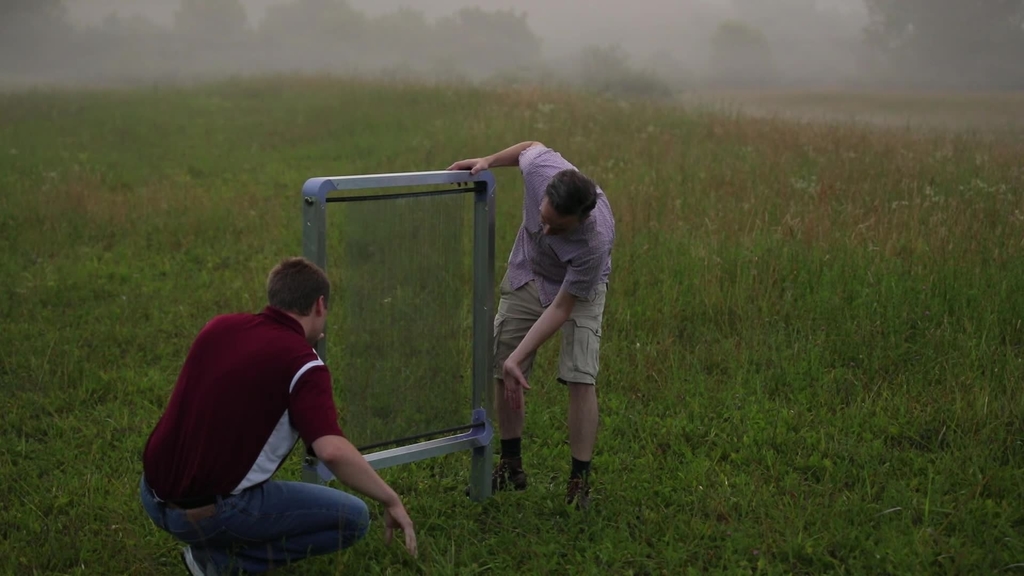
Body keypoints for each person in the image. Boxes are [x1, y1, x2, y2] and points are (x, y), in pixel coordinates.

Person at [139, 257, 417, 575]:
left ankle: (211, 547)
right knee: (353, 519)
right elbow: (331, 450)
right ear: (320, 305)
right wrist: (390, 499)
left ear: (275, 296)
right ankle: (220, 563)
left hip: (151, 493)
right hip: (207, 515)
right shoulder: (304, 364)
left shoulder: (219, 327)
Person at [447, 141, 615, 509]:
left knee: (580, 374)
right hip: (530, 271)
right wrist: (488, 159)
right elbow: (529, 146)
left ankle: (578, 481)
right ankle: (511, 466)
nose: (547, 231)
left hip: (578, 291)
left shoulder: (595, 241)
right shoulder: (541, 169)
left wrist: (519, 357)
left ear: (582, 219)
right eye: (545, 219)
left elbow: (561, 309)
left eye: (559, 228)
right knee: (501, 361)